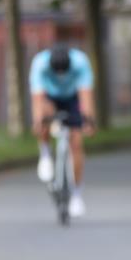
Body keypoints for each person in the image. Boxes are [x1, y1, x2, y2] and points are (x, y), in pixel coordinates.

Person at [29, 44, 96, 218]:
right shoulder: (39, 64)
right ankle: (45, 154)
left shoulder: (81, 62)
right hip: (50, 97)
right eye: (56, 73)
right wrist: (38, 122)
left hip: (72, 96)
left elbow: (86, 96)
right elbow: (37, 98)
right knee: (43, 117)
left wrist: (88, 121)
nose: (60, 76)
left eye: (63, 72)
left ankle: (77, 194)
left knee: (77, 143)